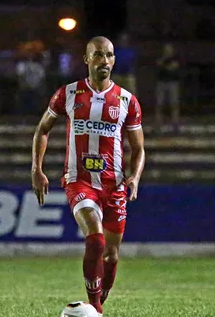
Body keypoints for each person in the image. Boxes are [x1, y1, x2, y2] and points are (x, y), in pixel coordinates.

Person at [31, 36, 145, 316]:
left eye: (108, 55)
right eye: (97, 55)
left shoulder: (127, 101)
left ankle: (97, 305)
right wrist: (37, 168)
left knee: (111, 255)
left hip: (114, 185)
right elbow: (42, 130)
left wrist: (135, 176)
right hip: (78, 181)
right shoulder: (67, 94)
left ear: (114, 60)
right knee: (95, 239)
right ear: (86, 59)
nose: (104, 60)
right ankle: (94, 308)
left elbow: (139, 148)